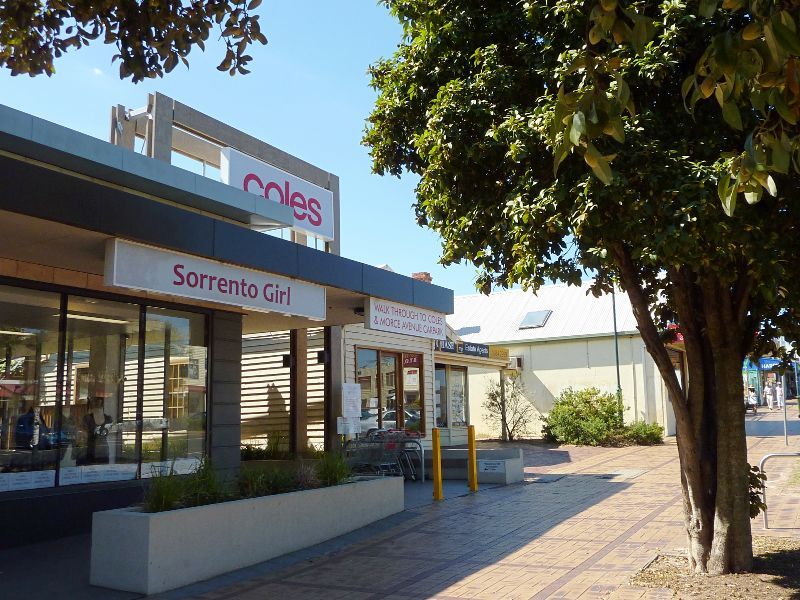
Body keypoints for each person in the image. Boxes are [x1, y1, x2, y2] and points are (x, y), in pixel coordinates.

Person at [82, 396, 112, 464]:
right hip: (91, 450)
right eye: (96, 402)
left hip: (104, 451)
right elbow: (84, 434)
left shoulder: (108, 419)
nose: (97, 404)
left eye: (99, 402)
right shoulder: (87, 418)